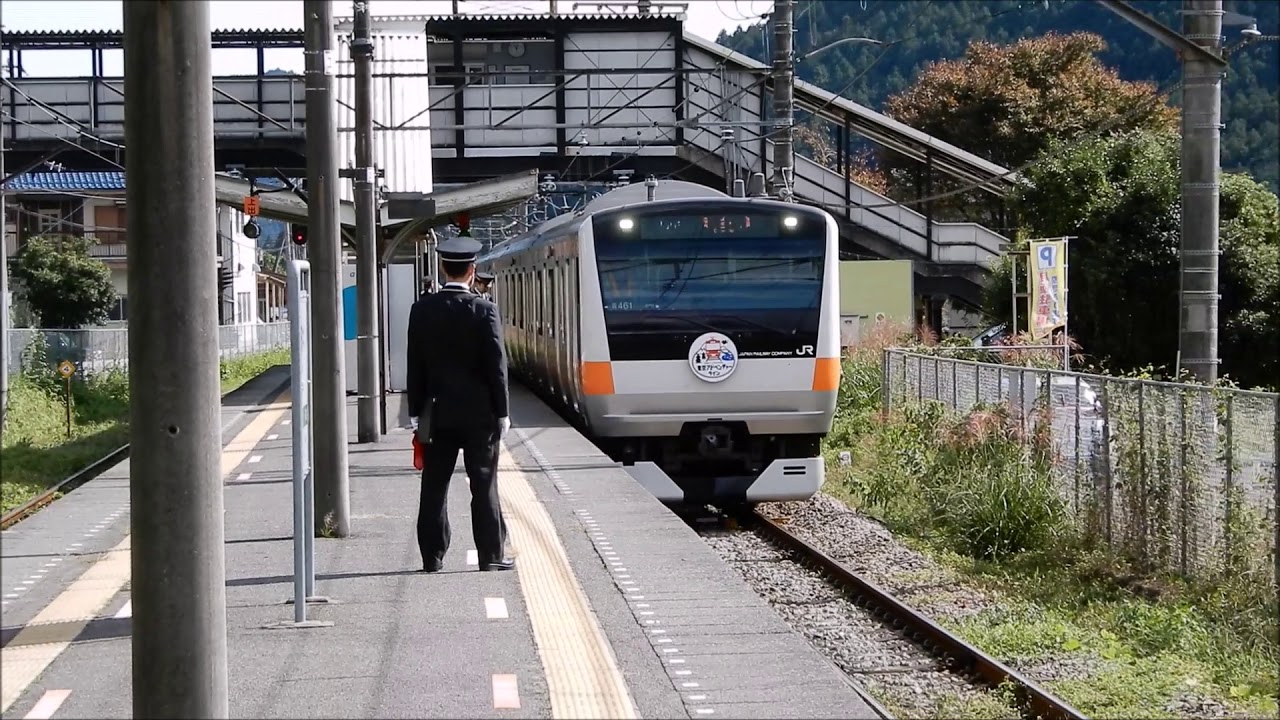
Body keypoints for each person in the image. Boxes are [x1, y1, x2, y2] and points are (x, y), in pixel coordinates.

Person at [405, 236, 514, 573]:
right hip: (480, 415)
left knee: (434, 484)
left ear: (442, 267)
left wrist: (414, 412)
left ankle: (432, 556)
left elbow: (415, 364)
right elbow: (497, 366)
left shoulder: (421, 310)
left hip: (436, 413)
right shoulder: (485, 310)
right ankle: (491, 556)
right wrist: (503, 411)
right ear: (472, 270)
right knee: (483, 484)